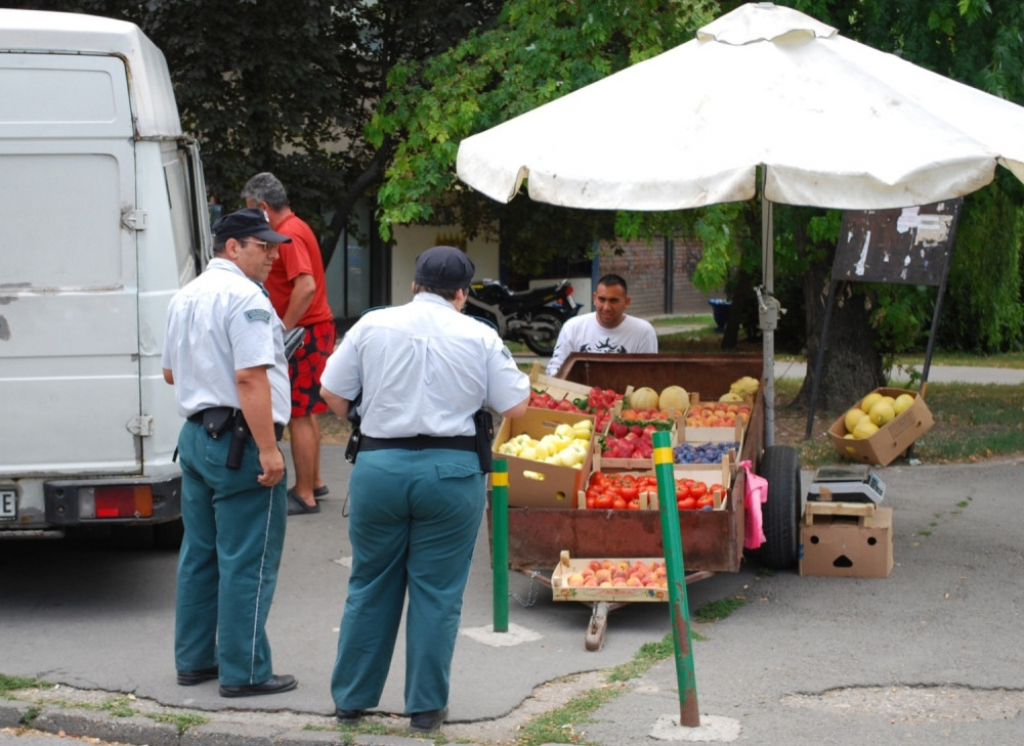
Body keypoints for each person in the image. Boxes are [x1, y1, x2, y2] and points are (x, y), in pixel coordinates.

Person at [319, 246, 530, 733]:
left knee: (370, 584)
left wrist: (365, 418)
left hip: (380, 465)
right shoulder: (480, 335)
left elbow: (332, 393)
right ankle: (426, 709)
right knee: (437, 593)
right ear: (461, 294)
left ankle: (351, 701)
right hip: (452, 471)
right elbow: (516, 404)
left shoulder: (371, 326)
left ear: (414, 284)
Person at [161, 207, 297, 698]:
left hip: (196, 437)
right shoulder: (246, 298)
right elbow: (248, 378)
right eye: (263, 247)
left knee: (199, 554)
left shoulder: (186, 296)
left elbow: (171, 373)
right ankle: (246, 671)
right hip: (239, 442)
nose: (273, 257)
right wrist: (269, 450)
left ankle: (195, 660)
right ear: (232, 247)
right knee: (248, 559)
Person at [241, 172, 335, 516]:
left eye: (251, 210)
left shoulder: (289, 233)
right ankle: (315, 480)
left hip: (305, 333)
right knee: (306, 412)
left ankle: (305, 493)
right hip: (314, 330)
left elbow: (306, 286)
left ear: (263, 207)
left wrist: (283, 331)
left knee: (298, 413)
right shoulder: (298, 226)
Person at [545, 273, 658, 376]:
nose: (606, 307)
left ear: (626, 302)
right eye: (602, 299)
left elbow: (649, 376)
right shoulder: (572, 328)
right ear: (595, 298)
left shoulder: (643, 332)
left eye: (613, 301)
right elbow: (554, 371)